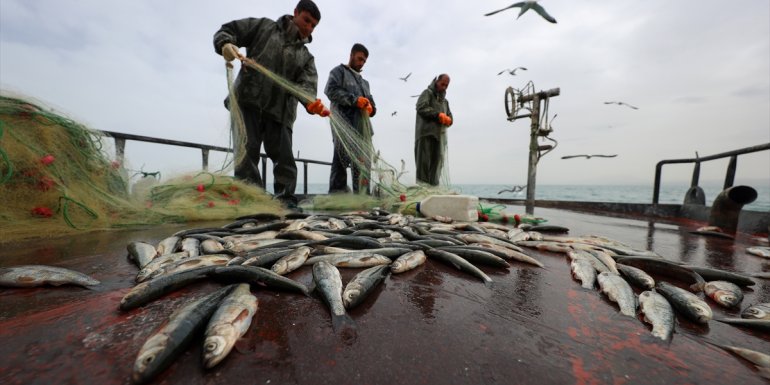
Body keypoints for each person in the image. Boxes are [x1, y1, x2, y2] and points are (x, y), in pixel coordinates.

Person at [213, 0, 328, 208]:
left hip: (281, 112)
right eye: (306, 20)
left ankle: (286, 202)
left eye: (313, 26)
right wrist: (225, 44)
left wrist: (311, 103)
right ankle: (251, 202)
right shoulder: (264, 27)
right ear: (295, 13)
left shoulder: (306, 57)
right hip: (247, 101)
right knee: (246, 154)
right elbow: (228, 30)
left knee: (285, 160)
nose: (309, 28)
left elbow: (307, 86)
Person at [324, 43, 377, 194]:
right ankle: (337, 196)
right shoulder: (338, 72)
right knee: (341, 161)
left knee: (363, 164)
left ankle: (362, 197)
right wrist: (354, 100)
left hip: (363, 131)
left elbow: (372, 105)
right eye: (360, 58)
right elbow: (330, 90)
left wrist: (371, 108)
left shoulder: (365, 83)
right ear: (351, 55)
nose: (362, 63)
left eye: (364, 61)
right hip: (343, 126)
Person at [414, 74, 453, 186]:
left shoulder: (445, 102)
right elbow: (421, 107)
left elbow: (450, 117)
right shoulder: (427, 93)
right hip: (425, 135)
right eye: (442, 84)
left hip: (439, 138)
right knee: (423, 165)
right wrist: (437, 115)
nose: (444, 87)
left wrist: (449, 120)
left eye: (446, 85)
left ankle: (433, 190)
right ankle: (422, 190)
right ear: (437, 82)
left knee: (436, 166)